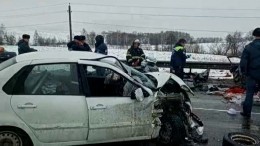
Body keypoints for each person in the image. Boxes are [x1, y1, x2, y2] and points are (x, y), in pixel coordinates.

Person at [240, 27, 260, 118]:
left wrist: (244, 73)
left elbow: (243, 62)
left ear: (254, 35)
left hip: (252, 74)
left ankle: (247, 113)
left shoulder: (249, 47)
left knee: (249, 94)